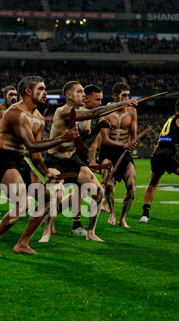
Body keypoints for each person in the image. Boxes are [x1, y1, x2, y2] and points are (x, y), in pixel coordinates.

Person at [0, 76, 79, 257]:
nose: (46, 93)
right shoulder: (15, 113)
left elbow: (34, 154)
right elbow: (32, 145)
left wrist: (45, 173)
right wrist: (63, 138)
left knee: (48, 198)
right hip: (3, 159)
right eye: (41, 89)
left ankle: (22, 243)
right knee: (23, 204)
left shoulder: (39, 118)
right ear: (28, 91)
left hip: (20, 160)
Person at [40, 81, 136, 242]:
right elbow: (94, 113)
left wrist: (98, 128)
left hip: (73, 159)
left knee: (98, 191)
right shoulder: (63, 111)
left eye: (84, 92)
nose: (83, 95)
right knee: (56, 194)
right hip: (55, 160)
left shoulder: (84, 118)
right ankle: (46, 232)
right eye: (79, 91)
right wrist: (123, 103)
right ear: (69, 96)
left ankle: (90, 233)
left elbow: (84, 144)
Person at [95, 82, 138, 228]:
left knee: (132, 187)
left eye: (128, 95)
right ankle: (112, 211)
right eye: (124, 95)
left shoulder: (132, 111)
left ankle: (122, 218)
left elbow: (133, 135)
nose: (127, 98)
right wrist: (125, 145)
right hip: (108, 152)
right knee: (108, 184)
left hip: (124, 153)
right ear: (115, 96)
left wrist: (133, 143)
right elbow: (105, 140)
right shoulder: (105, 111)